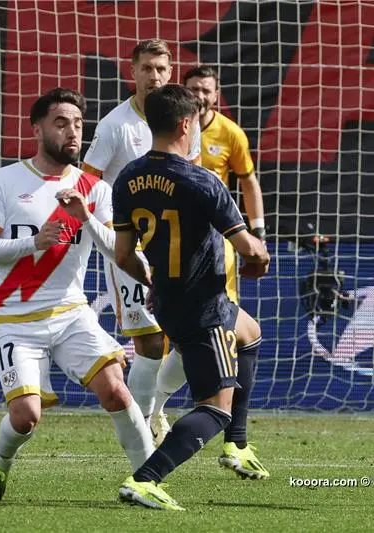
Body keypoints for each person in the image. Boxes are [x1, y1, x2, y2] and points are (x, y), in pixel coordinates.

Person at [0, 88, 155, 501]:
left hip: (72, 313)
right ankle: (0, 464)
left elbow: (118, 252)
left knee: (116, 388)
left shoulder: (95, 189)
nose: (72, 132)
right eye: (60, 123)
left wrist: (85, 217)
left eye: (77, 124)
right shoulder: (3, 181)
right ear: (36, 128)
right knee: (26, 417)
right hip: (15, 317)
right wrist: (35, 242)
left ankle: (149, 479)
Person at [112, 84, 270, 510]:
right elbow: (250, 250)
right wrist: (262, 256)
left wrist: (153, 279)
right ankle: (147, 479)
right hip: (204, 306)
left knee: (250, 333)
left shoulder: (127, 178)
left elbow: (124, 254)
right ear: (186, 124)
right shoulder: (203, 181)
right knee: (215, 408)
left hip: (166, 300)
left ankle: (237, 444)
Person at [149, 65, 269, 480]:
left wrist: (257, 234)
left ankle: (235, 440)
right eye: (194, 89)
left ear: (216, 96)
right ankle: (170, 418)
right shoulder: (174, 149)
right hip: (186, 256)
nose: (200, 95)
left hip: (222, 247)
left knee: (240, 333)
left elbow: (249, 182)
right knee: (198, 340)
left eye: (207, 90)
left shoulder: (230, 134)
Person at [82, 39, 200, 425]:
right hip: (131, 245)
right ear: (132, 72)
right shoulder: (115, 125)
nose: (154, 76)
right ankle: (142, 427)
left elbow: (194, 176)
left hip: (177, 244)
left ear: (171, 72)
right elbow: (86, 184)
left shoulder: (186, 119)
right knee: (149, 341)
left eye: (161, 69)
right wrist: (100, 233)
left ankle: (157, 410)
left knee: (188, 337)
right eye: (147, 68)